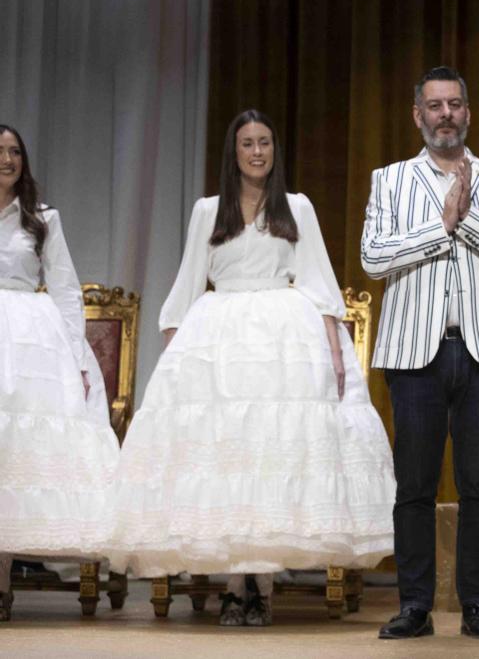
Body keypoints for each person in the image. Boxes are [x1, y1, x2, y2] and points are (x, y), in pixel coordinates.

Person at [104, 110, 396, 627]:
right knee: (228, 458)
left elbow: (317, 280)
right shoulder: (207, 211)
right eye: (247, 143)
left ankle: (263, 585)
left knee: (272, 457)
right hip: (222, 339)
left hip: (284, 337)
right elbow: (189, 282)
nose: (257, 152)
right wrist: (179, 356)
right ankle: (235, 586)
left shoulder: (297, 207)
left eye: (264, 142)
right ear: (233, 152)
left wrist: (334, 347)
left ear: (274, 150)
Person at [364, 66, 479, 641]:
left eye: (455, 104)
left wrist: (468, 220)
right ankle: (414, 604)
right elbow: (373, 258)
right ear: (418, 115)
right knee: (413, 483)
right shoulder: (389, 181)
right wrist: (442, 227)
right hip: (415, 354)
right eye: (434, 106)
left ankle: (477, 605)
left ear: (468, 112)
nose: (445, 115)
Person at [0, 124, 120, 621]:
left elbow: (67, 290)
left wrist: (78, 356)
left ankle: (1, 583)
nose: (7, 159)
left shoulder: (42, 218)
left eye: (14, 152)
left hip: (28, 341)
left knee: (18, 459)